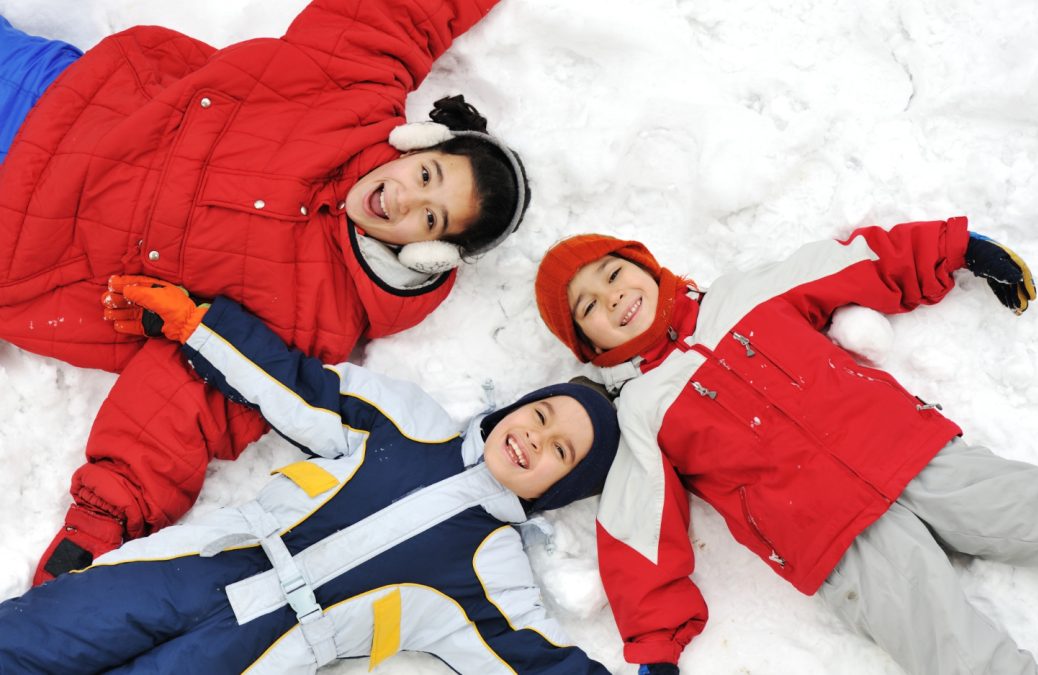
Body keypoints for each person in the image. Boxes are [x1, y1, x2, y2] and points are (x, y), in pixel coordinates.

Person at [0, 1, 530, 585]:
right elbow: (400, 13)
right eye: (427, 176)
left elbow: (183, 407)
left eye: (431, 220)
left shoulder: (319, 315)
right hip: (63, 96)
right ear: (417, 145)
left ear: (428, 253)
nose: (406, 200)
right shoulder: (350, 87)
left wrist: (96, 532)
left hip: (24, 241)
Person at [530, 218, 1038, 675]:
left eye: (614, 273)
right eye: (589, 307)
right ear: (591, 345)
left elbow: (850, 264)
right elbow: (637, 528)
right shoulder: (642, 411)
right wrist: (655, 646)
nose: (614, 297)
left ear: (645, 267)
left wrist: (954, 248)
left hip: (908, 452)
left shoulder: (744, 295)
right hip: (836, 541)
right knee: (946, 646)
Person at [0, 276, 615, 673]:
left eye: (561, 452)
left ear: (555, 492)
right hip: (207, 563)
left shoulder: (494, 575)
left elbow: (537, 663)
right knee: (45, 632)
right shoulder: (406, 422)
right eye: (541, 415)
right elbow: (297, 387)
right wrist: (199, 328)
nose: (537, 438)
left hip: (262, 650)